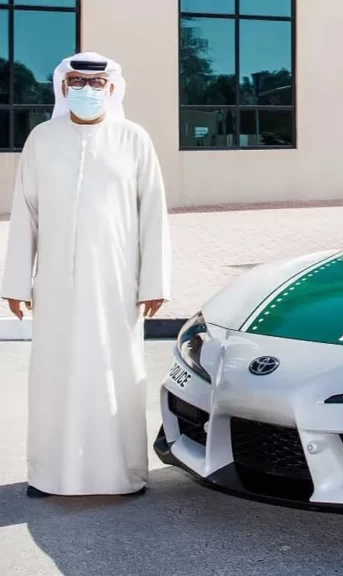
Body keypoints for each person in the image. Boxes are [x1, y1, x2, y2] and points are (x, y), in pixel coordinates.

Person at [1, 52, 171, 498]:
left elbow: (153, 213)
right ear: (62, 86)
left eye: (97, 83)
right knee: (55, 374)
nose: (87, 90)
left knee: (114, 371)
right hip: (55, 283)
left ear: (112, 88)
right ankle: (51, 474)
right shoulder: (41, 139)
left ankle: (122, 476)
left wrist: (154, 281)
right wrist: (16, 283)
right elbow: (26, 214)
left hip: (117, 283)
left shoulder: (134, 140)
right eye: (77, 81)